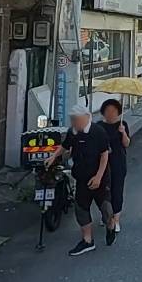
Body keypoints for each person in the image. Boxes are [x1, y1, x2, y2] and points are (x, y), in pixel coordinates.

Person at [46, 103, 115, 256]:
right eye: (72, 120)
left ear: (86, 117)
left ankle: (110, 226)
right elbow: (64, 146)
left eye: (76, 119)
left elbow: (105, 156)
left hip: (100, 179)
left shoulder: (98, 132)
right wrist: (53, 156)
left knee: (106, 210)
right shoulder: (73, 132)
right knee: (81, 210)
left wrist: (98, 177)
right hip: (82, 178)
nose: (74, 123)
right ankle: (87, 241)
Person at [99, 98, 130, 232]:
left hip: (118, 162)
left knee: (117, 190)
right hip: (102, 164)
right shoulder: (99, 126)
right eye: (108, 111)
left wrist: (123, 132)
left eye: (114, 111)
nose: (111, 113)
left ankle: (116, 220)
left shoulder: (122, 124)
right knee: (103, 191)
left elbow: (126, 144)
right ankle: (106, 216)